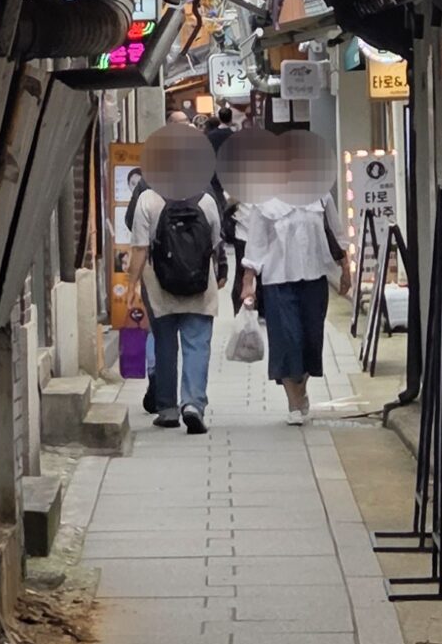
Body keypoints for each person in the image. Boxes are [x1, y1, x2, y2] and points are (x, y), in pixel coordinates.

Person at [239, 129, 349, 422]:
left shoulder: (319, 194)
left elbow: (336, 234)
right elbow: (256, 243)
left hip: (313, 279)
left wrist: (346, 270)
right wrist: (248, 283)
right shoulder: (265, 201)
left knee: (311, 338)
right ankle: (294, 403)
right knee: (288, 340)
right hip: (277, 281)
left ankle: (302, 390)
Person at [126, 123, 225, 435]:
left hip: (160, 286)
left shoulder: (147, 197)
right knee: (198, 343)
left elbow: (139, 247)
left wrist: (131, 284)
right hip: (199, 283)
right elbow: (216, 240)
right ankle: (193, 403)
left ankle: (167, 408)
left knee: (165, 342)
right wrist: (219, 273)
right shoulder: (206, 197)